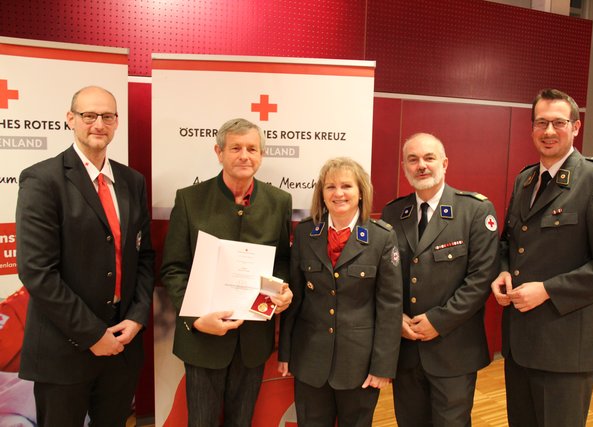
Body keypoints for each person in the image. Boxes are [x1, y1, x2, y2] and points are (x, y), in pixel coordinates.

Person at [491, 88, 593, 426]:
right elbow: (509, 242)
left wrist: (548, 289)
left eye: (558, 122)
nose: (549, 131)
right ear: (532, 128)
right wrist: (501, 271)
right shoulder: (525, 179)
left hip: (567, 345)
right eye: (541, 122)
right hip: (522, 341)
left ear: (576, 126)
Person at [15, 86, 155, 426]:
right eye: (89, 115)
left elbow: (145, 257)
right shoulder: (42, 179)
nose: (98, 124)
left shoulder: (131, 181)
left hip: (121, 346)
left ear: (116, 122)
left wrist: (137, 317)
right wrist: (94, 335)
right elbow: (37, 273)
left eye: (107, 116)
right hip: (64, 350)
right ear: (71, 119)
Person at [161, 118, 293, 426]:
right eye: (235, 148)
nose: (244, 156)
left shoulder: (279, 201)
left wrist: (281, 291)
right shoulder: (189, 200)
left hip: (253, 341)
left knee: (242, 422)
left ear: (261, 155)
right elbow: (173, 269)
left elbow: (282, 262)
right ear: (219, 152)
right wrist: (195, 318)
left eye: (252, 149)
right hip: (203, 339)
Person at [381, 133, 500, 426]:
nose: (421, 165)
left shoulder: (474, 210)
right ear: (404, 167)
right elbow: (384, 278)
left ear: (444, 163)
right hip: (406, 348)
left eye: (429, 158)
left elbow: (481, 279)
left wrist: (439, 321)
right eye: (413, 159)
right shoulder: (393, 213)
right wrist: (395, 318)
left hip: (453, 350)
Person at [278, 157, 403, 427]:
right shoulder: (305, 233)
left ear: (361, 193)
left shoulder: (382, 237)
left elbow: (390, 307)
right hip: (309, 359)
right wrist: (285, 353)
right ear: (321, 194)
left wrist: (382, 367)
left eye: (347, 186)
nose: (338, 193)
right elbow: (295, 298)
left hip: (359, 364)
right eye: (330, 187)